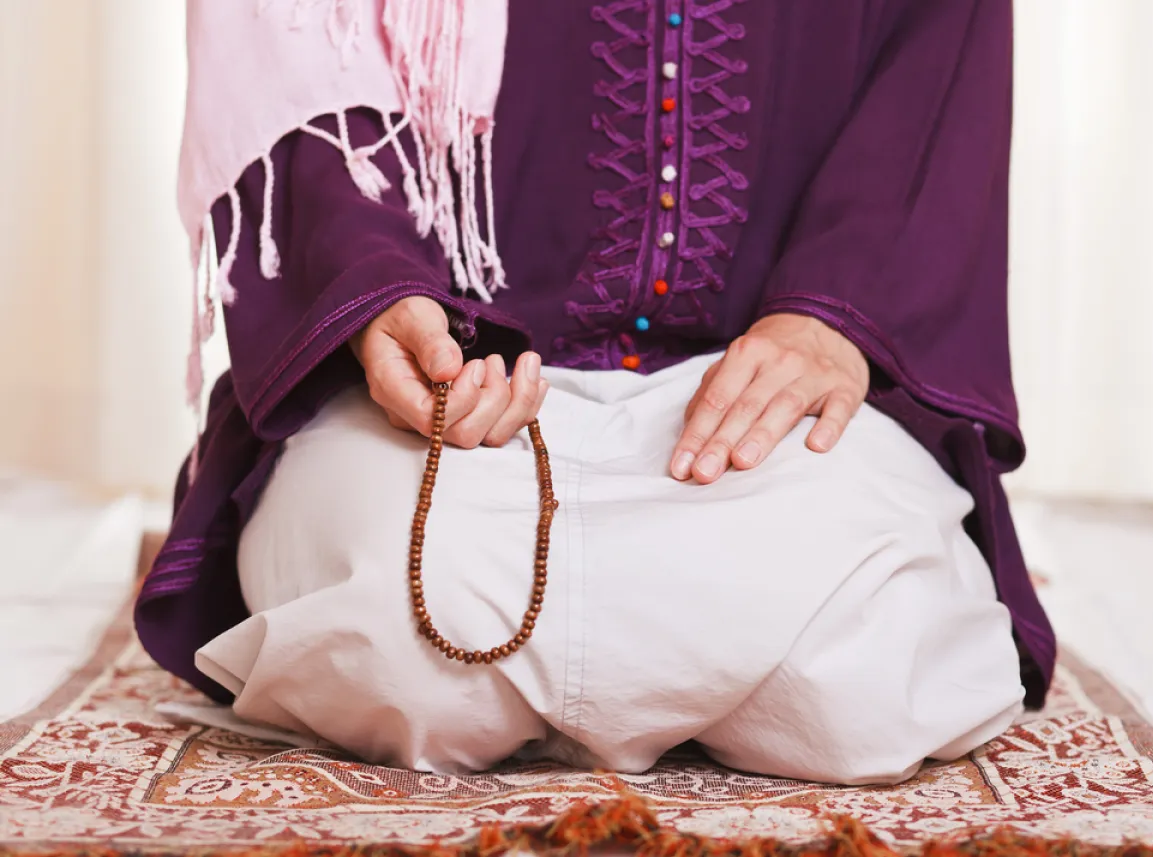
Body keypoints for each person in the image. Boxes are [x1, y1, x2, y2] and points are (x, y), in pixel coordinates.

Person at [136, 0, 1055, 784]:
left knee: (868, 678)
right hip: (463, 379)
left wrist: (833, 314)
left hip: (767, 370)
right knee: (396, 632)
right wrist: (375, 293)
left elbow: (934, 58)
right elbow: (296, 42)